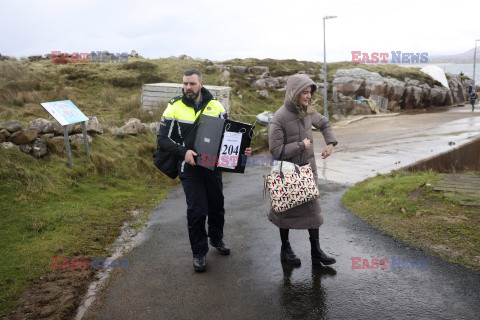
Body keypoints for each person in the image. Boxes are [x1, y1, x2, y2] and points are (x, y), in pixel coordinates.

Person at [157, 68, 251, 272]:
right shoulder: (174, 107)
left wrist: (242, 148)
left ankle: (217, 239)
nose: (188, 88)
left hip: (212, 166)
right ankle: (199, 253)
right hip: (188, 168)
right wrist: (183, 152)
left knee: (217, 205)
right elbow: (162, 140)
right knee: (197, 210)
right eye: (185, 84)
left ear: (201, 83)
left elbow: (229, 135)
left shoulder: (216, 106)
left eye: (192, 84)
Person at [268, 74, 338, 266]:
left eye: (309, 92)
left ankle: (316, 251)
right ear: (294, 93)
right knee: (284, 211)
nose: (308, 96)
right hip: (287, 174)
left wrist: (330, 143)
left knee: (313, 213)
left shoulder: (308, 111)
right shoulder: (279, 118)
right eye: (304, 93)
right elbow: (275, 150)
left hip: (308, 173)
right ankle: (286, 249)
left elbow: (323, 123)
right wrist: (300, 145)